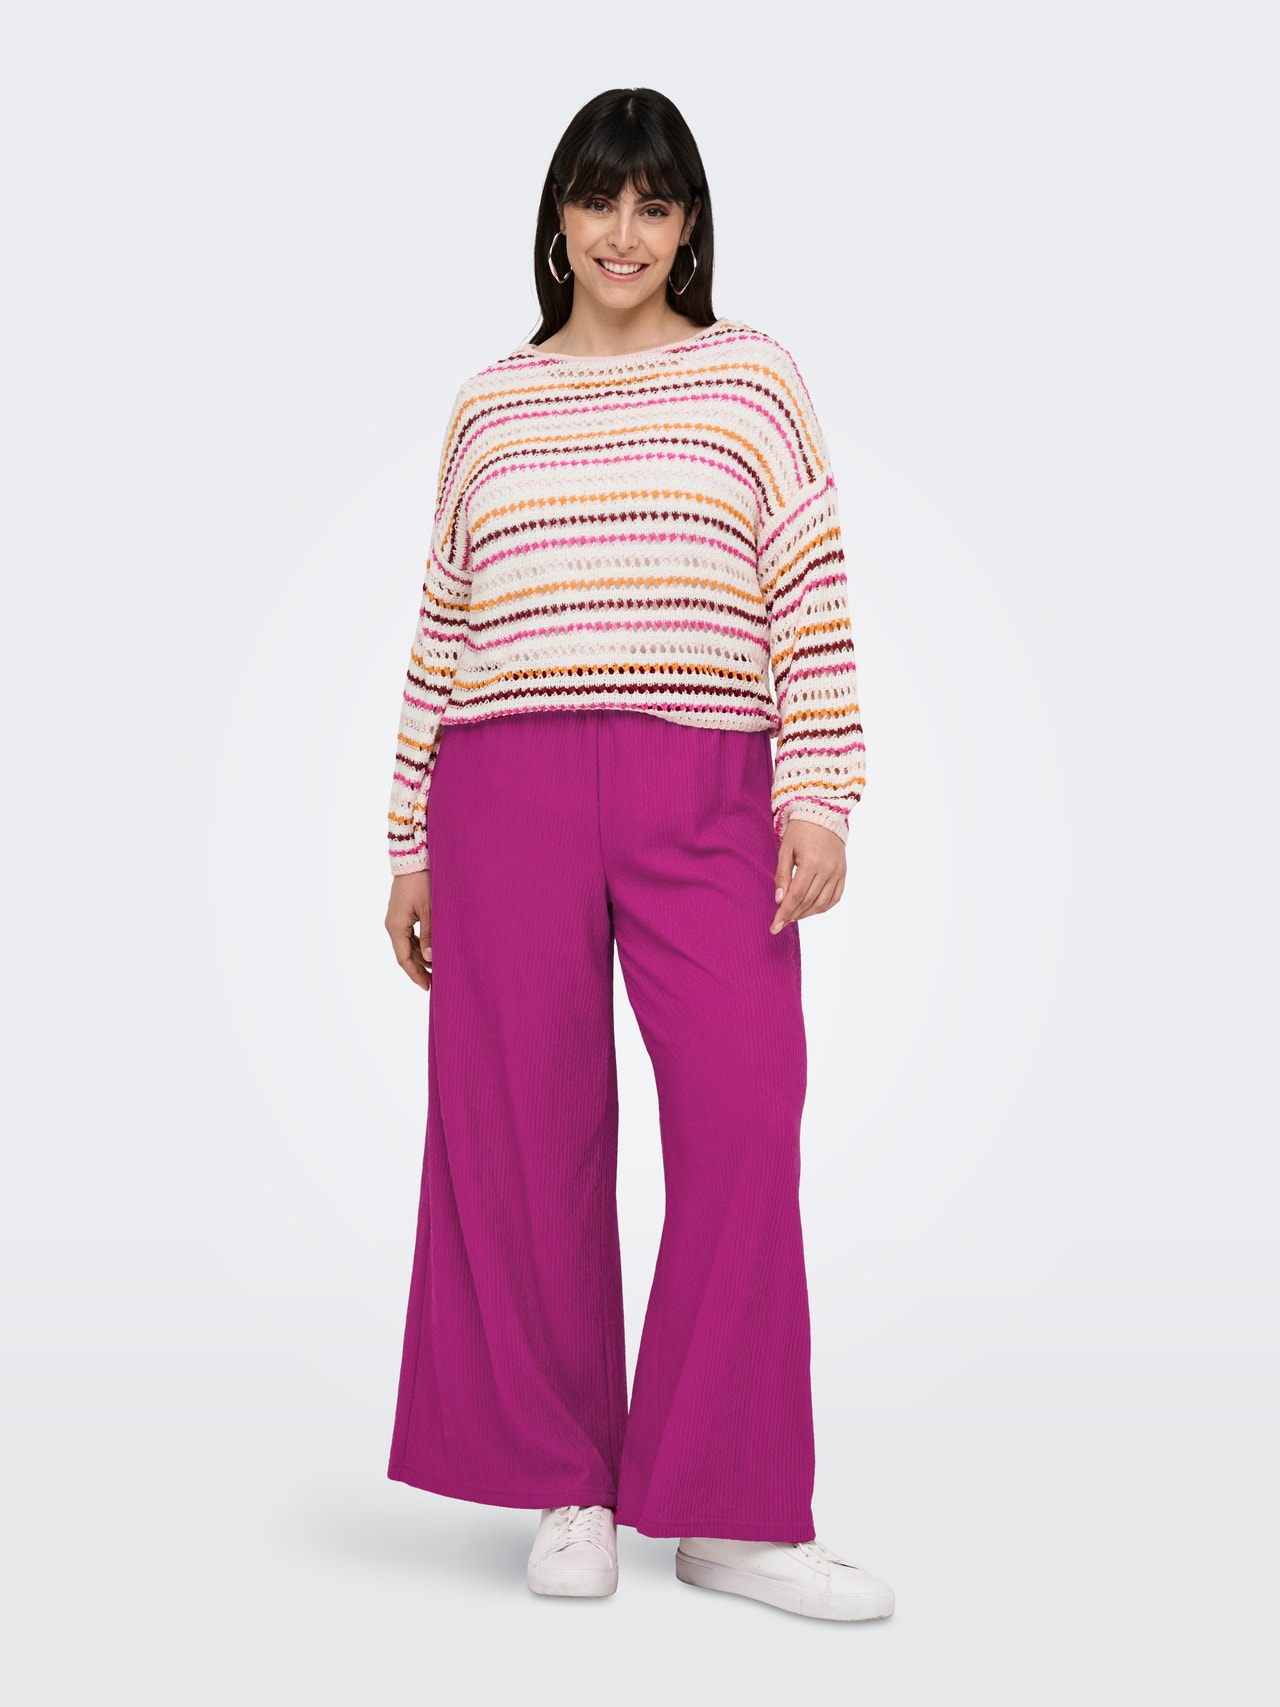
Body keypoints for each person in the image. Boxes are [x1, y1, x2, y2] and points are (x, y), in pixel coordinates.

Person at [381, 86, 894, 1624]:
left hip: (706, 784)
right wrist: (406, 835)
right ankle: (570, 1478)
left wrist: (820, 790)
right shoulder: (489, 403)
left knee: (742, 1113)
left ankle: (732, 1508)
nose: (623, 233)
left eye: (653, 205)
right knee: (525, 1132)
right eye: (599, 201)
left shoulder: (752, 380)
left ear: (689, 226)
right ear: (557, 218)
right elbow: (442, 620)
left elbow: (808, 588)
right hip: (504, 788)